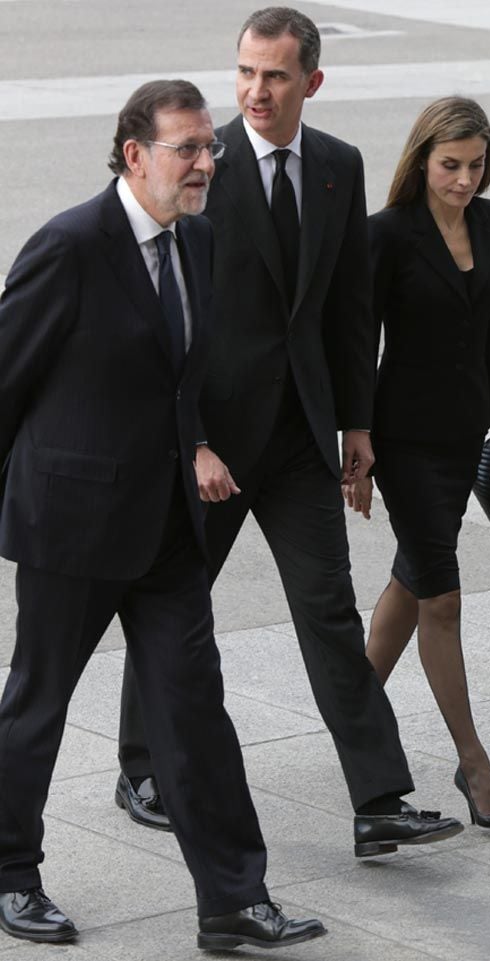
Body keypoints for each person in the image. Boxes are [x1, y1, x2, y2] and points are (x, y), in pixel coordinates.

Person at [115, 7, 463, 857]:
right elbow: (167, 311)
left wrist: (357, 422)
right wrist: (186, 435)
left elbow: (349, 311)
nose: (254, 91)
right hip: (215, 444)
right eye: (244, 73)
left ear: (311, 79)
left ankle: (379, 797)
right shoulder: (204, 167)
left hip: (305, 438)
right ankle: (141, 767)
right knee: (174, 598)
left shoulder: (338, 167)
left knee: (329, 612)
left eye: (273, 75)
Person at [0, 79, 325, 951]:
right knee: (37, 704)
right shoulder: (69, 246)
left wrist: (198, 445)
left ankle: (232, 898)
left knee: (193, 710)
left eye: (209, 148)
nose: (206, 163)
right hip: (70, 525)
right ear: (135, 153)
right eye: (187, 149)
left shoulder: (200, 240)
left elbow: (183, 376)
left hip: (168, 527)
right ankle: (9, 871)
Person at [345, 96, 490, 829]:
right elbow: (358, 345)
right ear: (422, 159)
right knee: (441, 597)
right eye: (450, 165)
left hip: (464, 440)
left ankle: (353, 721)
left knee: (411, 578)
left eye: (476, 165)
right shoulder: (386, 235)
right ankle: (474, 762)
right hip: (405, 442)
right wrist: (354, 450)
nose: (463, 180)